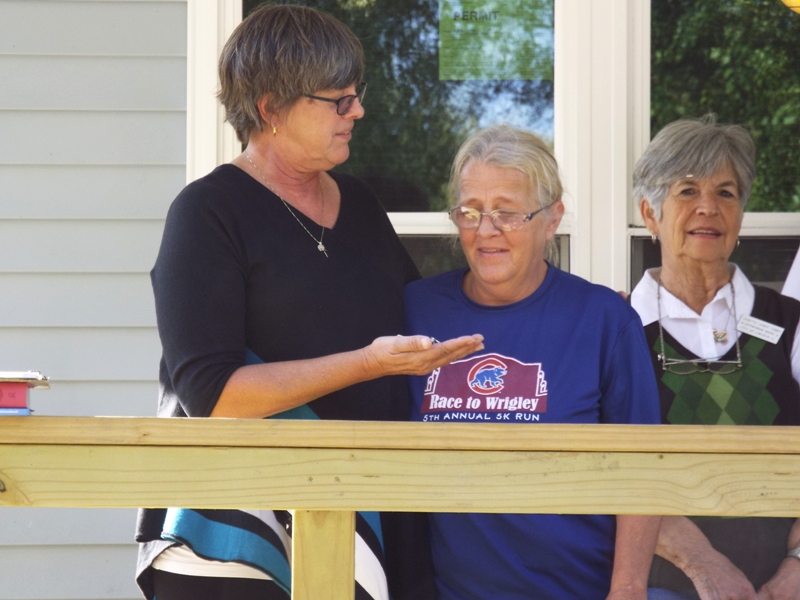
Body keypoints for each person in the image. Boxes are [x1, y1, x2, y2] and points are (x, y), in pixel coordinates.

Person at [134, 5, 484, 600]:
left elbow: (424, 309)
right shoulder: (207, 212)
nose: (357, 111)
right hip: (244, 536)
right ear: (271, 108)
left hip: (365, 506)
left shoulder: (360, 204)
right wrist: (367, 363)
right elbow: (213, 396)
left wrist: (555, 299)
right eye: (338, 100)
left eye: (356, 94)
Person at [404, 124, 662, 600]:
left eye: (507, 213)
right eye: (470, 212)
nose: (486, 231)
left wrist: (627, 588)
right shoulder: (417, 311)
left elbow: (644, 465)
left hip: (579, 590)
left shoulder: (604, 319)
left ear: (551, 219)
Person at [630, 115, 800, 600]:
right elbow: (606, 473)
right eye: (687, 191)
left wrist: (797, 567)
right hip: (662, 587)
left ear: (741, 214)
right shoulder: (619, 330)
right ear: (650, 214)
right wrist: (704, 565)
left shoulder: (790, 323)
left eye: (725, 193)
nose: (708, 207)